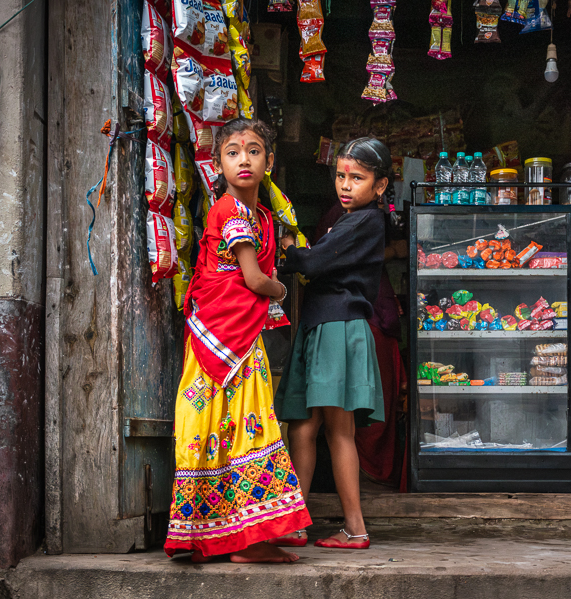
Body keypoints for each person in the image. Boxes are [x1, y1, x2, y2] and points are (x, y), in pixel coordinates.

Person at [164, 118, 311, 564]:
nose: (243, 158)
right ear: (219, 163)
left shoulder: (261, 217)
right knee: (242, 428)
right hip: (224, 336)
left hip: (238, 336)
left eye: (253, 150)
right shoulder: (229, 211)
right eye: (232, 151)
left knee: (231, 430)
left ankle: (233, 537)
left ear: (269, 161)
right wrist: (283, 291)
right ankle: (246, 540)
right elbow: (253, 278)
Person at [273, 137, 397, 549]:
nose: (345, 185)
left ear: (380, 185)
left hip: (339, 327)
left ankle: (356, 528)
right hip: (319, 324)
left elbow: (311, 262)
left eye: (357, 178)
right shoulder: (347, 220)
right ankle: (294, 522)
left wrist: (288, 245)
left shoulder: (367, 222)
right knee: (302, 428)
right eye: (341, 176)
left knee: (338, 432)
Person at [314, 201, 408, 488]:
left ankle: (373, 477)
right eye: (344, 176)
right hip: (362, 320)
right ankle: (369, 479)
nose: (347, 185)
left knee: (378, 406)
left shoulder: (369, 214)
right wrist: (393, 251)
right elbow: (337, 257)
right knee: (363, 411)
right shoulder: (343, 215)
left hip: (376, 318)